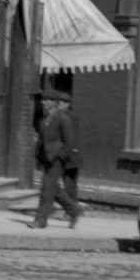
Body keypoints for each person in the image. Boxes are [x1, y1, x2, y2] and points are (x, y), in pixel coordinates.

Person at [31, 94, 81, 230]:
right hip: (46, 159)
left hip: (56, 159)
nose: (43, 103)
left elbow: (69, 140)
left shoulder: (62, 118)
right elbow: (41, 141)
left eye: (47, 100)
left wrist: (61, 156)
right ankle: (74, 210)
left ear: (54, 103)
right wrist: (38, 157)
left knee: (46, 190)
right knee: (55, 190)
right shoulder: (43, 120)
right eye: (43, 100)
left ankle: (40, 220)